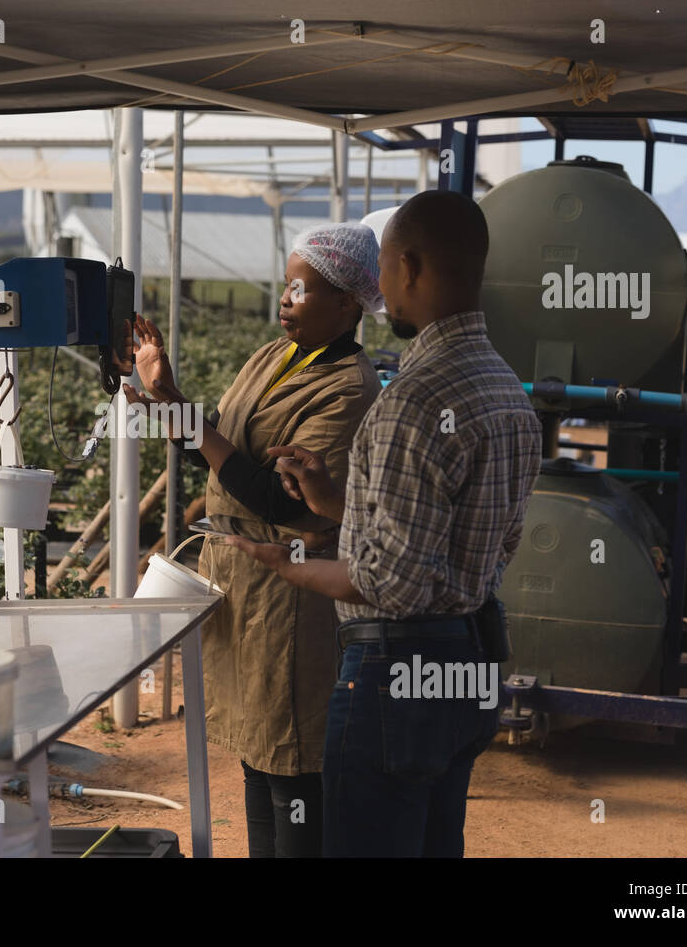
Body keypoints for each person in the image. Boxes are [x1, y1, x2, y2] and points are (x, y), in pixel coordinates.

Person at [226, 190, 542, 857]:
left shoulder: (416, 401)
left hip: (394, 676)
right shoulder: (505, 388)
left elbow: (388, 585)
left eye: (387, 269)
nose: (381, 289)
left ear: (411, 267)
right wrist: (337, 502)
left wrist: (289, 565)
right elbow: (454, 539)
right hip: (469, 658)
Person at [123, 223, 385, 858]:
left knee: (290, 759)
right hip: (239, 579)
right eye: (286, 285)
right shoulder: (273, 356)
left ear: (347, 304)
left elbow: (280, 503)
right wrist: (165, 407)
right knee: (253, 751)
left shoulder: (349, 388)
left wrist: (177, 401)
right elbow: (221, 457)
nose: (286, 299)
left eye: (302, 288)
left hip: (288, 589)